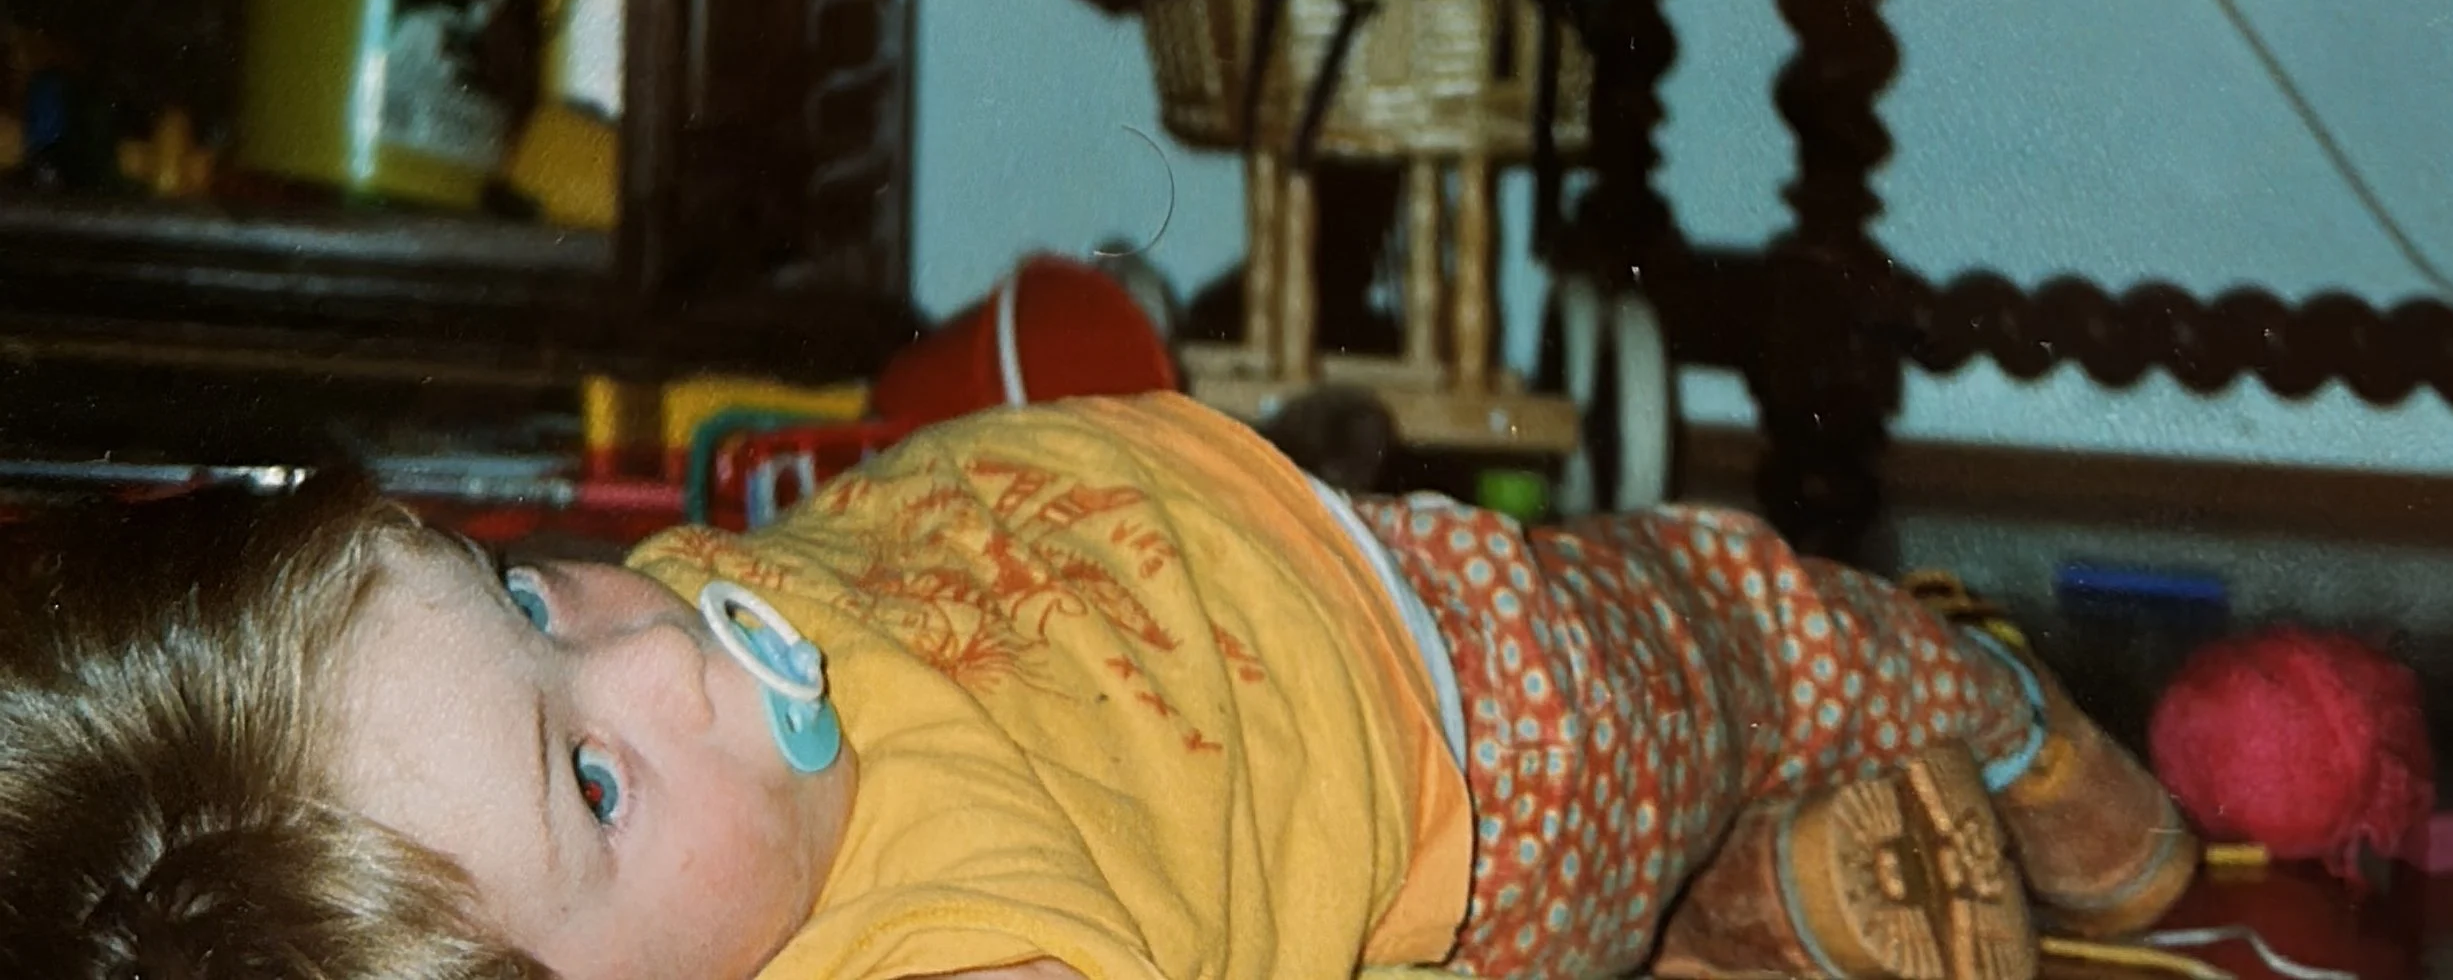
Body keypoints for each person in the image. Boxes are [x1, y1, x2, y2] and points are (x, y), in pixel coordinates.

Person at [0, 392, 2194, 980]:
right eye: (589, 780)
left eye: (518, 582)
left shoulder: (674, 741)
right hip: (1484, 726)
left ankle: (1774, 910)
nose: (655, 634)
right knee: (1731, 614)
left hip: (1268, 558)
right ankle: (2019, 737)